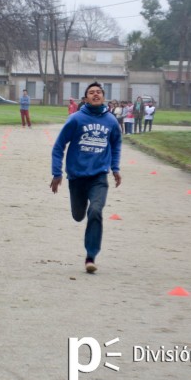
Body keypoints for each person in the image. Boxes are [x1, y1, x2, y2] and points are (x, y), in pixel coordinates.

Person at [50, 82, 122, 273]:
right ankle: (80, 212)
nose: (95, 94)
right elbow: (58, 146)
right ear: (85, 98)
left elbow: (116, 145)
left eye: (99, 92)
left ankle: (91, 256)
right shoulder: (76, 119)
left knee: (96, 211)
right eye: (91, 92)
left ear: (103, 96)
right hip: (77, 177)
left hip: (99, 177)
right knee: (78, 215)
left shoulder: (111, 121)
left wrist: (115, 168)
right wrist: (57, 173)